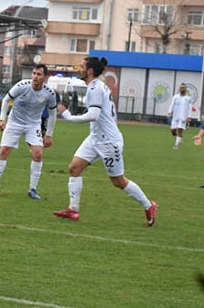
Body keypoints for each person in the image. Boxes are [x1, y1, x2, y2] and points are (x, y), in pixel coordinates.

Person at [54, 56, 157, 226]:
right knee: (74, 168)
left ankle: (148, 206)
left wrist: (68, 116)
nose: (79, 69)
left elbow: (94, 115)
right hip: (95, 138)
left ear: (90, 71)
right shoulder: (96, 86)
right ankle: (73, 209)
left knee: (118, 181)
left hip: (108, 142)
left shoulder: (95, 88)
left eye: (82, 66)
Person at [0, 64, 57, 199]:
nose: (35, 77)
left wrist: (49, 135)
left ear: (45, 77)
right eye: (34, 73)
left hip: (33, 125)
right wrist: (2, 120)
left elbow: (53, 113)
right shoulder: (22, 86)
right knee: (4, 150)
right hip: (15, 122)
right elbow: (6, 100)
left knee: (38, 154)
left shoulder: (49, 93)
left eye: (39, 74)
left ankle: (33, 189)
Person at [167, 83, 192, 149]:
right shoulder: (175, 97)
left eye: (183, 88)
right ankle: (179, 139)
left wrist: (189, 117)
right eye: (181, 88)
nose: (182, 89)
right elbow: (172, 105)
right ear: (179, 89)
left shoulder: (188, 98)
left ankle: (177, 145)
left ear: (185, 89)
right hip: (175, 116)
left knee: (179, 130)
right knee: (172, 130)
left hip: (183, 117)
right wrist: (169, 112)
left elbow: (189, 108)